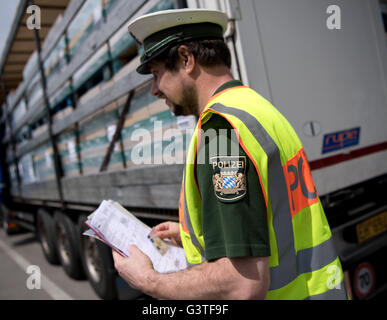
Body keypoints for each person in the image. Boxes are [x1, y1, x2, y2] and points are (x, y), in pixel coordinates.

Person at [112, 8, 348, 300]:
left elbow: (243, 283)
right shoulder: (255, 107)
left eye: (157, 74)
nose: (154, 90)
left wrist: (149, 280)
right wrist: (195, 239)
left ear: (186, 59)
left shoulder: (221, 132)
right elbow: (269, 218)